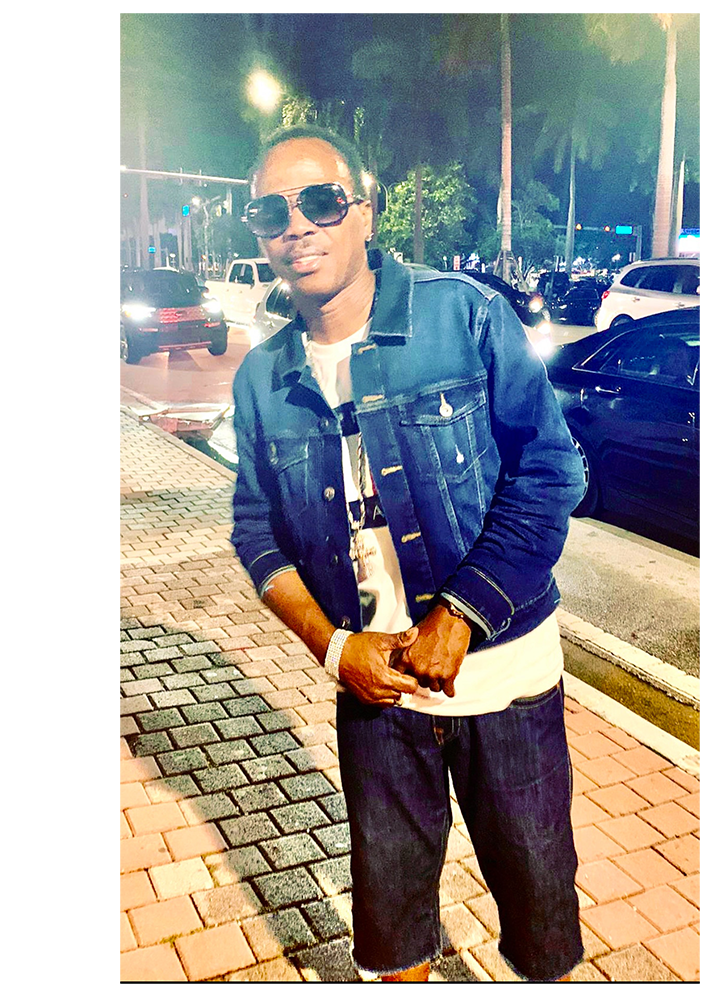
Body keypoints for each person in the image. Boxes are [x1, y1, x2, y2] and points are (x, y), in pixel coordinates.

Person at [230, 125, 587, 983]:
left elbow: (551, 471)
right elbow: (254, 528)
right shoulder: (262, 377)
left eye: (320, 202)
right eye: (272, 212)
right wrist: (335, 648)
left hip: (506, 680)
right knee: (392, 938)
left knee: (541, 924)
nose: (297, 226)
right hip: (375, 696)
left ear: (363, 210)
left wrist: (461, 614)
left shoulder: (464, 315)